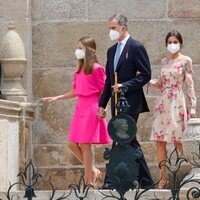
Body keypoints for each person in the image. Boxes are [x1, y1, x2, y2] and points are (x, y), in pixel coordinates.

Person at [42, 36, 111, 187]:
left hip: (92, 107)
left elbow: (104, 91)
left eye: (81, 48)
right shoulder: (78, 71)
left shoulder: (97, 68)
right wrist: (58, 97)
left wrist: (103, 108)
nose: (77, 51)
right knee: (72, 144)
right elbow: (76, 91)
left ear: (89, 50)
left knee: (85, 144)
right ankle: (93, 171)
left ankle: (89, 182)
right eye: (77, 47)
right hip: (80, 107)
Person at [98, 14, 154, 189]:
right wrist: (102, 104)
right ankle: (142, 181)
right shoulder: (111, 51)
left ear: (123, 28)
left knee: (125, 137)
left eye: (113, 28)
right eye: (109, 28)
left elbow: (146, 75)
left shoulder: (136, 47)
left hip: (130, 101)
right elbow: (109, 80)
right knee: (124, 138)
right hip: (115, 102)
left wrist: (125, 86)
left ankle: (113, 180)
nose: (111, 31)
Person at [149, 30, 197, 189]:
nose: (172, 45)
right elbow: (162, 83)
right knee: (160, 140)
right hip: (163, 102)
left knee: (179, 140)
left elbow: (189, 86)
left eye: (175, 41)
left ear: (180, 43)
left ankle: (196, 169)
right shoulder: (165, 61)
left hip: (177, 101)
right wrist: (149, 80)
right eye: (169, 42)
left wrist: (193, 108)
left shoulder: (186, 61)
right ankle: (163, 178)